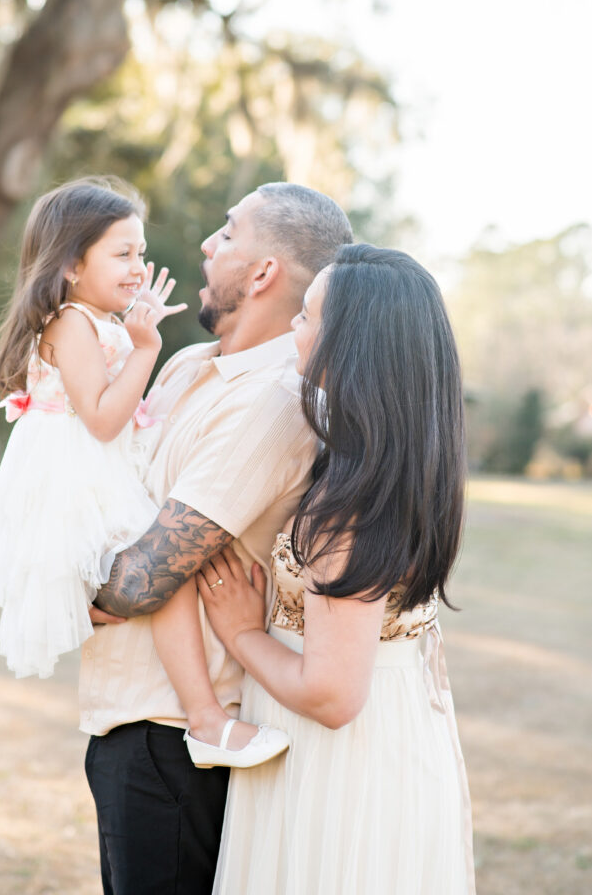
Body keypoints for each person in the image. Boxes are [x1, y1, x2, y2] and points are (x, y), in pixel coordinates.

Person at [81, 182, 354, 895]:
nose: (206, 244)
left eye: (228, 234)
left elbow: (142, 578)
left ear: (264, 273)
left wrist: (46, 590)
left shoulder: (272, 402)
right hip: (123, 715)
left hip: (177, 739)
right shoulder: (182, 364)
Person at [198, 244, 476, 895]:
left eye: (306, 317)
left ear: (347, 347)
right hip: (395, 730)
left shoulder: (348, 508)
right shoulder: (396, 470)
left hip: (340, 765)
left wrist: (242, 635)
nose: (292, 328)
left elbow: (332, 695)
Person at [0, 176, 286, 769]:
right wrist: (145, 349)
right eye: (121, 254)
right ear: (71, 264)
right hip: (76, 479)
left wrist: (134, 332)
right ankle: (205, 719)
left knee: (160, 578)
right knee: (164, 579)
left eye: (140, 254)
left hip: (97, 471)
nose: (137, 268)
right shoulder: (71, 323)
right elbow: (100, 419)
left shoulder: (99, 321)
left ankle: (201, 714)